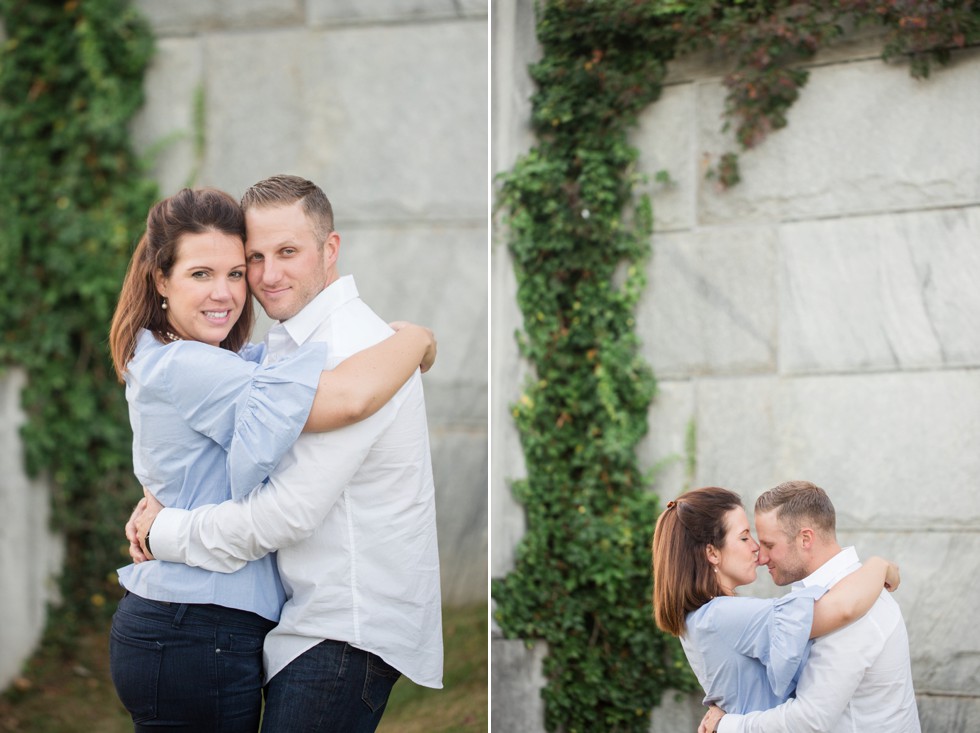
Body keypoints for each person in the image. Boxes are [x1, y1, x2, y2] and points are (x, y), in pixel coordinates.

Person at [107, 187, 436, 733]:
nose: (239, 286)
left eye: (236, 271)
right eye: (250, 261)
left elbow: (325, 400)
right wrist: (418, 340)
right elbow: (343, 398)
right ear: (161, 280)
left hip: (316, 623)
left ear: (330, 249)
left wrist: (415, 340)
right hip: (196, 623)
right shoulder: (195, 364)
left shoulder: (279, 352)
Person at [651, 486, 901, 728]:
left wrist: (727, 712)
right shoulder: (723, 615)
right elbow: (843, 608)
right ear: (712, 553)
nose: (757, 550)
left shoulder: (708, 616)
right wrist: (879, 565)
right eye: (744, 537)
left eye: (764, 542)